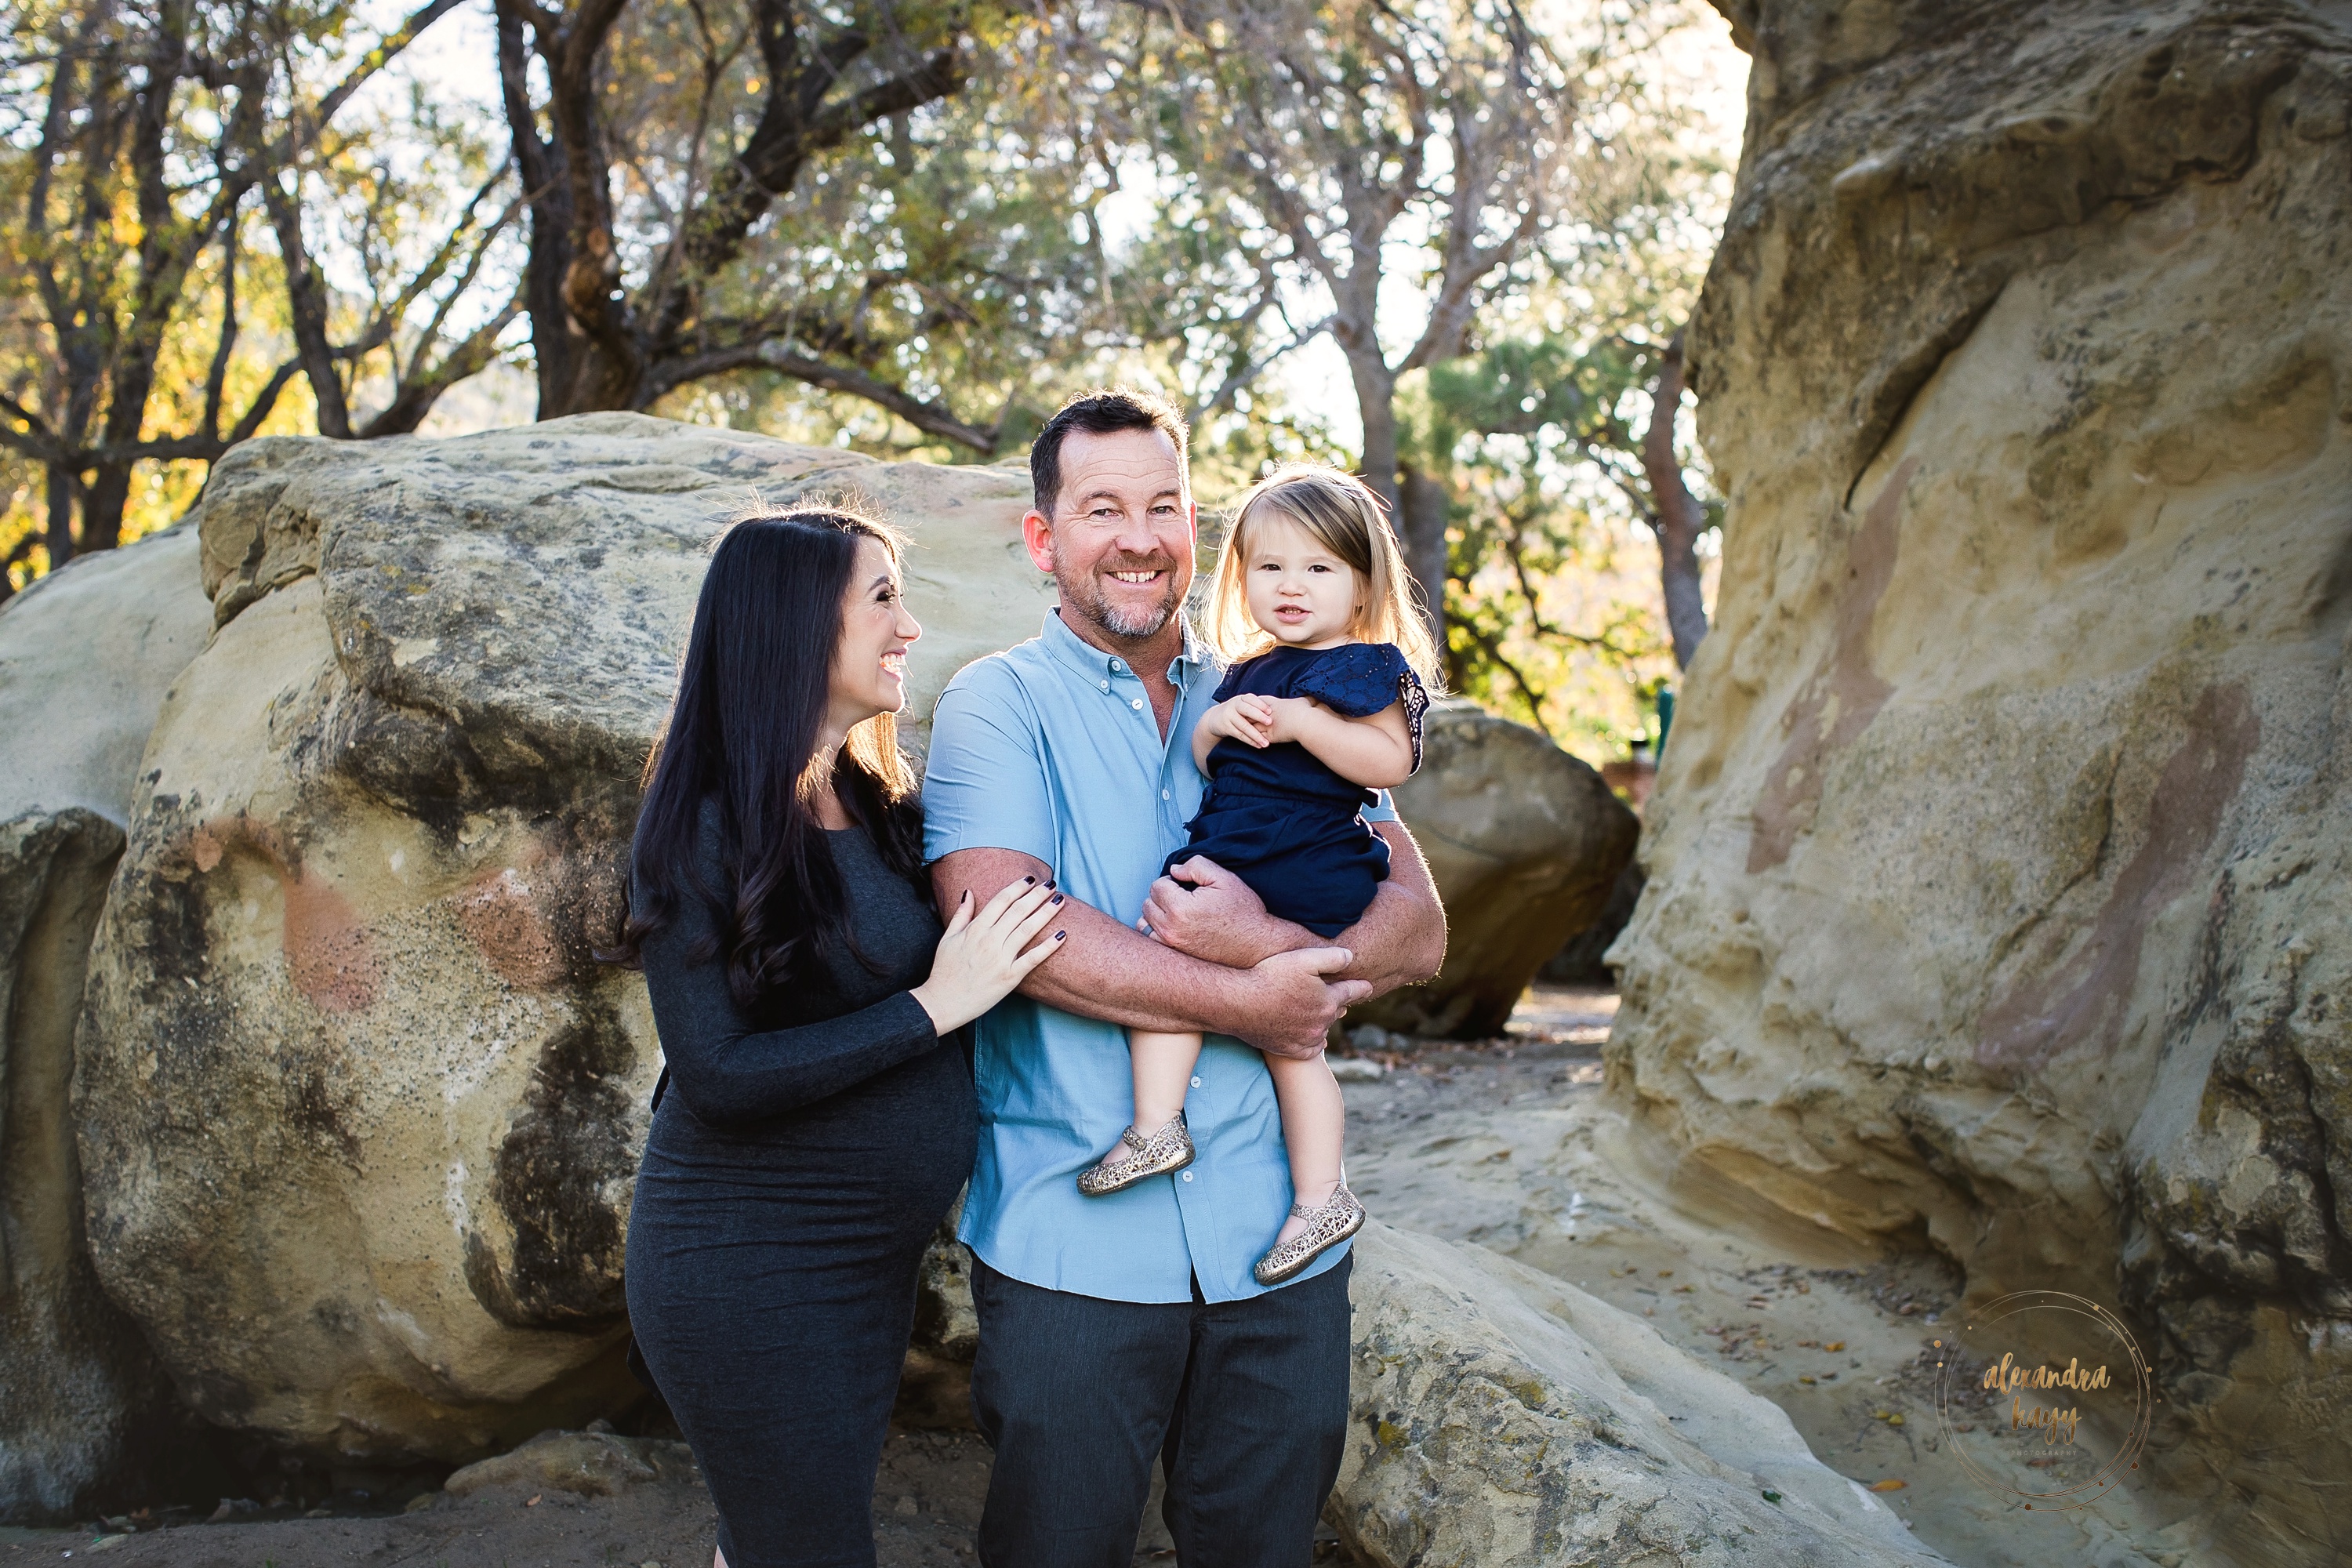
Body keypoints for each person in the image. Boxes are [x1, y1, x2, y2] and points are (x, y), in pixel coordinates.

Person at [923, 391, 1448, 1567]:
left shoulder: (1289, 688)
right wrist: (1246, 993)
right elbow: (1009, 924)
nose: (1140, 535)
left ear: (1196, 527)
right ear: (1042, 537)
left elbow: (1417, 928)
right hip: (1075, 1240)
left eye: (1164, 505)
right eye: (1101, 507)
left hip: (1279, 1237)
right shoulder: (995, 705)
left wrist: (1264, 940)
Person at [616, 509, 1065, 1568]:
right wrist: (934, 1006)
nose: (909, 628)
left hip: (867, 1267)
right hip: (747, 1270)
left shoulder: (868, 795)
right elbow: (716, 1073)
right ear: (792, 627)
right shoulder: (701, 823)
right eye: (882, 600)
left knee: (776, 1544)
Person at [1076, 466, 1441, 1289]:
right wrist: (1214, 723)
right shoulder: (1250, 669)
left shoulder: (1363, 666)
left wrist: (1310, 722)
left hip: (1307, 860)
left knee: (1283, 1035)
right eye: (1271, 567)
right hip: (1242, 847)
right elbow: (1213, 761)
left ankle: (1320, 1194)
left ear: (1361, 584)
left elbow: (1393, 761)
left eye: (1318, 569)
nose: (1291, 586)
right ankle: (1159, 1123)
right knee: (1175, 975)